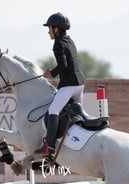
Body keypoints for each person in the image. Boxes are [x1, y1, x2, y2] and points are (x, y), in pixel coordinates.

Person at [35, 12, 86, 157]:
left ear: (56, 29)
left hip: (69, 85)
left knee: (53, 110)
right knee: (78, 114)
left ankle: (49, 147)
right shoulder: (69, 40)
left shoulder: (58, 43)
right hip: (79, 83)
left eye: (49, 28)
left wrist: (51, 73)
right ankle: (77, 142)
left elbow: (63, 65)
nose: (48, 31)